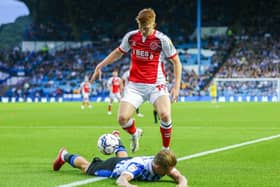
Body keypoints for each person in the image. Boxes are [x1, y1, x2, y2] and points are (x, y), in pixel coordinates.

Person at [90, 8, 182, 152]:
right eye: (140, 27)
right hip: (135, 86)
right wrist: (100, 66)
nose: (142, 31)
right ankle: (135, 133)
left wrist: (176, 86)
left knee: (165, 114)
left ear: (154, 25)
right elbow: (118, 52)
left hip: (156, 85)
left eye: (145, 28)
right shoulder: (131, 37)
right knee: (122, 119)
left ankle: (166, 150)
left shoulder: (162, 40)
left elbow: (176, 62)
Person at [53, 131, 188, 187]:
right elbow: (121, 180)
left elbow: (180, 177)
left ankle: (116, 139)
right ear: (158, 168)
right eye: (168, 170)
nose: (171, 172)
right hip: (113, 167)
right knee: (86, 167)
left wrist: (182, 184)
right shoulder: (137, 167)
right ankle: (64, 155)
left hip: (127, 161)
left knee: (124, 159)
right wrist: (129, 185)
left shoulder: (164, 162)